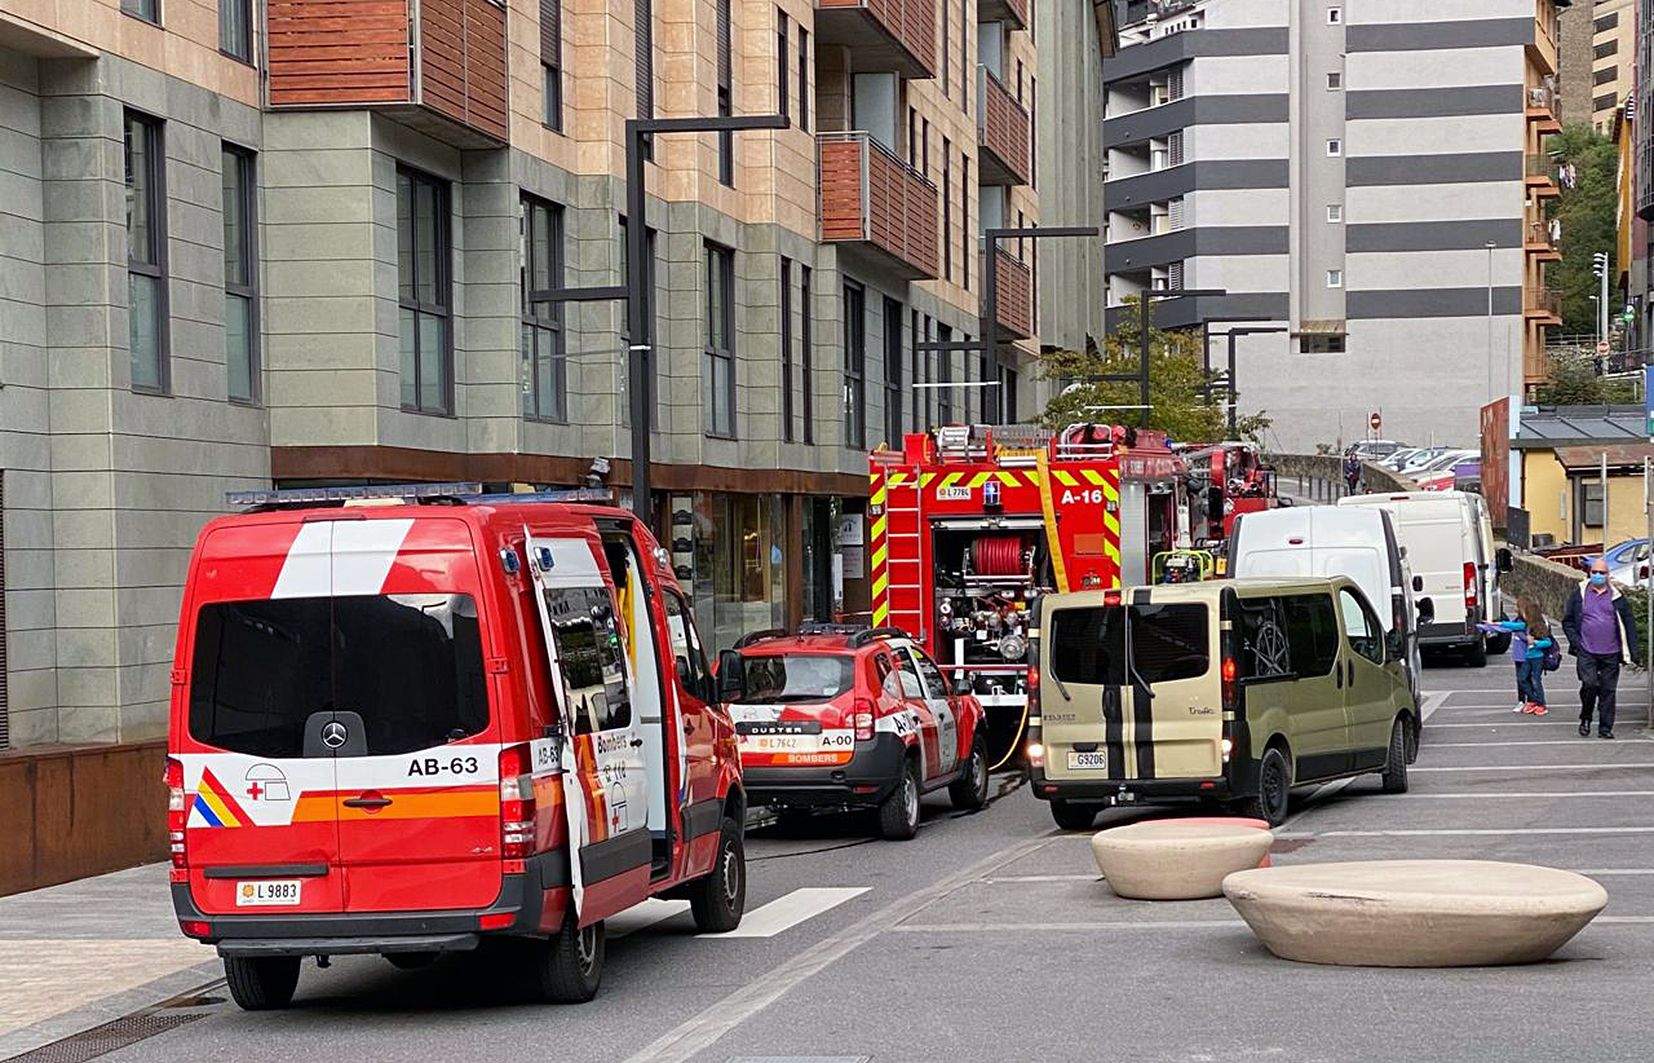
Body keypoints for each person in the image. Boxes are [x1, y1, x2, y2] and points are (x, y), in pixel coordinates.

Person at [1561, 558, 1641, 739]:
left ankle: (1605, 727)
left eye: (1602, 573)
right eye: (1595, 572)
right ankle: (1586, 718)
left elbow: (1629, 624)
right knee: (1589, 684)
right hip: (1586, 650)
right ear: (1589, 573)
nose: (1598, 575)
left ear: (1608, 575)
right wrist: (1576, 642)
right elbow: (1568, 622)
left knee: (1608, 690)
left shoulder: (1617, 597)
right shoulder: (1580, 594)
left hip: (1611, 652)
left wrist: (1633, 650)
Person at [1488, 597, 1553, 716]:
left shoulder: (1538, 626)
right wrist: (1497, 623)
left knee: (1535, 680)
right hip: (1528, 656)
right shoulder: (1524, 625)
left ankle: (1541, 703)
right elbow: (1512, 625)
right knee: (1522, 679)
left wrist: (1535, 643)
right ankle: (1535, 700)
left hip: (1537, 657)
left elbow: (1548, 642)